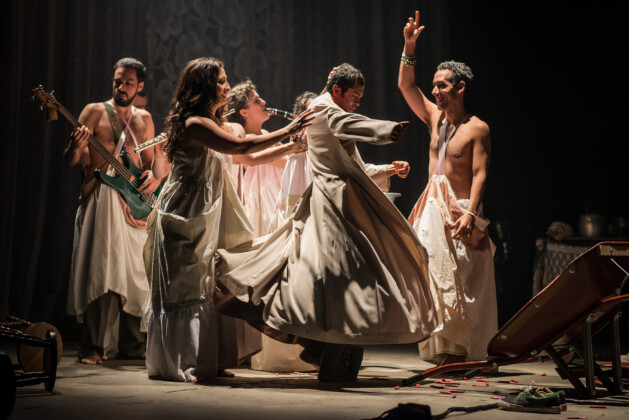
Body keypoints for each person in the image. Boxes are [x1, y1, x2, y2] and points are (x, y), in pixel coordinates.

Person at [216, 63, 437, 382]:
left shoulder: (323, 113)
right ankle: (321, 346)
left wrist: (385, 168)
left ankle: (321, 347)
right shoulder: (322, 114)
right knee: (319, 279)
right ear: (336, 91)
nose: (357, 102)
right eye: (354, 96)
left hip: (329, 206)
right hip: (321, 209)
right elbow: (350, 154)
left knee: (325, 282)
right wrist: (385, 138)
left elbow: (352, 164)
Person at [142, 57, 314, 382]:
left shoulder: (213, 122)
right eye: (221, 81)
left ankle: (211, 359)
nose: (227, 86)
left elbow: (246, 156)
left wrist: (292, 145)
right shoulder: (194, 123)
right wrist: (288, 129)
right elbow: (240, 143)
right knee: (188, 286)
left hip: (205, 214)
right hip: (183, 215)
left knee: (212, 285)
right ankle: (183, 363)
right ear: (205, 86)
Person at [398, 11, 497, 364]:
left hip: (462, 210)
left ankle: (464, 351)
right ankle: (441, 351)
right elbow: (406, 87)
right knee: (433, 276)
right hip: (432, 211)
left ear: (460, 87)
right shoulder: (434, 119)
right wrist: (409, 47)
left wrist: (470, 213)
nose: (435, 91)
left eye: (442, 85)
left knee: (465, 282)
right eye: (435, 85)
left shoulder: (477, 128)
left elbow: (480, 173)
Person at [64, 57, 161, 364]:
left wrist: (153, 178)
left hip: (131, 203)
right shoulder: (94, 111)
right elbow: (72, 160)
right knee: (100, 268)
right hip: (102, 196)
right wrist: (74, 145)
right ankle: (90, 346)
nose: (121, 87)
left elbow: (150, 164)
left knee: (133, 271)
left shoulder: (144, 119)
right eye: (117, 81)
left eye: (128, 83)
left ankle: (132, 345)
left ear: (140, 86)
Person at [226, 80, 305, 235]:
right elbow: (286, 160)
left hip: (278, 193)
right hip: (268, 203)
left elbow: (290, 156)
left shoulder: (266, 135)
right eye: (256, 101)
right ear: (244, 112)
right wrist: (293, 138)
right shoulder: (247, 138)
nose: (264, 102)